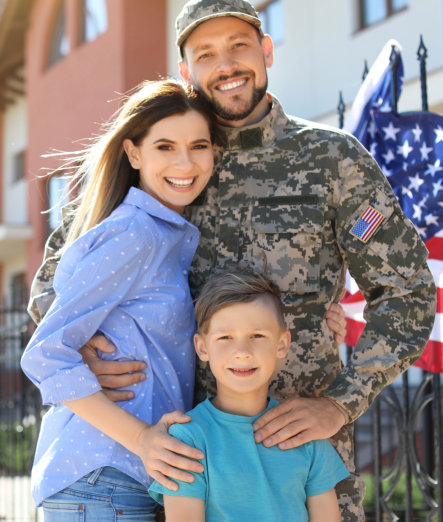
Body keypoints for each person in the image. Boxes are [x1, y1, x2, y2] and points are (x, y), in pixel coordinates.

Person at [27, 1, 436, 520]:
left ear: (266, 50)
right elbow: (54, 283)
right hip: (184, 462)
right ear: (186, 71)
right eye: (206, 53)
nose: (226, 64)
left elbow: (407, 290)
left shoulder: (333, 160)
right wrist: (87, 352)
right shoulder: (169, 157)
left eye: (239, 45)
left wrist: (341, 401)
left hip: (300, 461)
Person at [20, 79, 215, 520]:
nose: (185, 162)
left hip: (118, 482)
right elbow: (46, 354)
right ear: (133, 154)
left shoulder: (163, 233)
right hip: (103, 479)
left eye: (198, 146)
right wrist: (143, 439)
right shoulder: (136, 233)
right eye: (165, 146)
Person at [148, 269, 350, 521]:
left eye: (257, 335)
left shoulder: (305, 434)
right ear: (202, 347)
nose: (242, 351)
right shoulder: (187, 439)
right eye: (225, 337)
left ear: (282, 344)